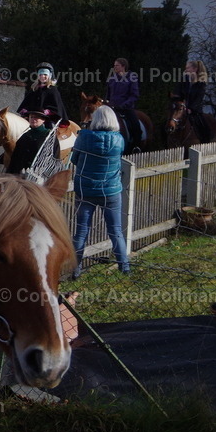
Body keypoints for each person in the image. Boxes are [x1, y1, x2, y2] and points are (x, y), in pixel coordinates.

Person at [70, 105, 130, 277]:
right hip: (111, 191)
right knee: (115, 230)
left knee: (81, 231)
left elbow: (74, 160)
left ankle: (76, 270)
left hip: (85, 191)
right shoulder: (119, 139)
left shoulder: (83, 137)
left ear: (95, 119)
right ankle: (124, 267)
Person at [171, 60, 210, 142]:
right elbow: (178, 93)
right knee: (168, 122)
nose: (186, 70)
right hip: (181, 109)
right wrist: (176, 99)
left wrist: (191, 109)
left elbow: (199, 98)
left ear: (195, 69)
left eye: (188, 68)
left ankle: (205, 141)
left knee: (202, 126)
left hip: (194, 110)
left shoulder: (201, 83)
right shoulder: (183, 79)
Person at [106, 57, 141, 148]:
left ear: (123, 66)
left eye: (117, 65)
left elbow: (134, 95)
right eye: (114, 66)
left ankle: (136, 146)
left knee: (136, 126)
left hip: (126, 108)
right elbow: (108, 95)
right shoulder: (112, 78)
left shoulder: (132, 77)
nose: (115, 67)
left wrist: (123, 105)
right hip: (112, 108)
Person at [6, 110, 52, 175]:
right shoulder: (24, 136)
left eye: (36, 117)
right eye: (31, 117)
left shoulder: (49, 137)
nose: (33, 119)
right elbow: (15, 158)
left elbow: (52, 158)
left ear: (43, 120)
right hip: (20, 175)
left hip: (39, 176)